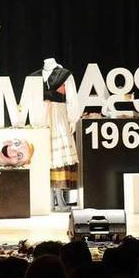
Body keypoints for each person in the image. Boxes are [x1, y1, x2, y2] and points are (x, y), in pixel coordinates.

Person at [38, 58, 82, 211]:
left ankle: (60, 200)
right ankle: (48, 200)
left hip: (58, 115)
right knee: (45, 157)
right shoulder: (36, 76)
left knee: (58, 158)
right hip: (42, 116)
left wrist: (72, 119)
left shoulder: (65, 75)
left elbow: (71, 98)